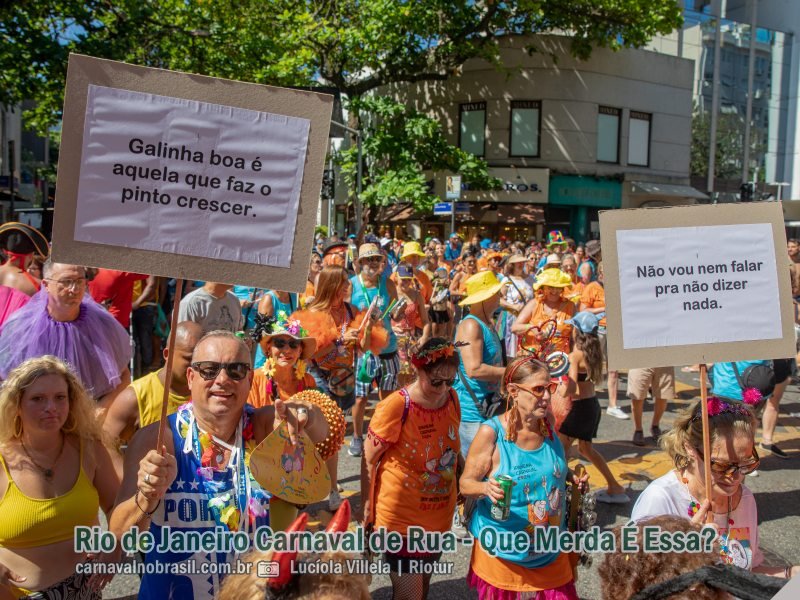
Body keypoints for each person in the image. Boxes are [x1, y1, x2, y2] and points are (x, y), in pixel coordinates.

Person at [109, 330, 330, 599]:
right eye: (209, 370)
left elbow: (321, 430)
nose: (222, 380)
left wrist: (305, 414)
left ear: (249, 379)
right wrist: (147, 495)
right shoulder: (157, 440)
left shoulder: (262, 427)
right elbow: (118, 534)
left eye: (236, 370)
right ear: (191, 378)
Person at [632, 397, 798, 579]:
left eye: (745, 464)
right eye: (721, 465)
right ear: (690, 449)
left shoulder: (745, 498)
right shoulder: (660, 499)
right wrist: (684, 554)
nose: (736, 476)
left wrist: (790, 574)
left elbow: (747, 575)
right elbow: (637, 583)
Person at [0, 356, 120, 598]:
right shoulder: (2, 459)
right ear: (17, 406)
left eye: (60, 397)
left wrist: (113, 546)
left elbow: (117, 507)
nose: (51, 408)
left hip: (84, 591)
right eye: (37, 399)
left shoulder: (90, 449)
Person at [460, 356, 578, 599]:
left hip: (549, 546)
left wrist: (571, 475)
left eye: (549, 388)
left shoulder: (548, 423)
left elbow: (551, 466)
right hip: (503, 551)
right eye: (538, 389)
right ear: (513, 391)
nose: (546, 396)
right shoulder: (491, 433)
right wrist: (486, 489)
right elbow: (465, 484)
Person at [363, 339, 462, 600]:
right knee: (410, 595)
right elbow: (368, 460)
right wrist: (367, 511)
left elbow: (453, 448)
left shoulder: (452, 399)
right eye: (436, 381)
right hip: (400, 521)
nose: (443, 389)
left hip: (438, 518)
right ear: (418, 370)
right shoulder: (397, 405)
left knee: (423, 588)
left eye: (450, 381)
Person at [292, 266, 379, 510]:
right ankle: (326, 489)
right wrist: (341, 340)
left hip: (345, 379)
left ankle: (326, 482)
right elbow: (311, 351)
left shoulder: (350, 310)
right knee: (324, 434)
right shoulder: (314, 312)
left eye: (346, 282)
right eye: (342, 283)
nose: (347, 286)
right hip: (319, 378)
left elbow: (363, 346)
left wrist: (367, 327)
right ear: (330, 285)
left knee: (335, 435)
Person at [0, 260, 131, 409]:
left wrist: (101, 409)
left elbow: (123, 376)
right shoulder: (23, 326)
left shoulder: (102, 324)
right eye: (66, 282)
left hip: (89, 419)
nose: (74, 289)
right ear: (45, 285)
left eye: (79, 281)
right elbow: (9, 384)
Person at [103, 321, 203, 475]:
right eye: (189, 359)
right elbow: (105, 447)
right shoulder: (135, 396)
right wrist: (128, 484)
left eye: (203, 361)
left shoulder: (211, 393)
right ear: (167, 354)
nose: (196, 367)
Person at [558, 312, 629, 503]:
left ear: (577, 332)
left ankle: (563, 493)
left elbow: (571, 387)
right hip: (592, 405)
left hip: (580, 408)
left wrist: (559, 388)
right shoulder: (594, 353)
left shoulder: (575, 356)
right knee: (585, 449)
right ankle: (614, 486)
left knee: (560, 449)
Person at [350, 243, 399, 458]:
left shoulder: (388, 284)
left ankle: (382, 434)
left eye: (376, 259)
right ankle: (357, 437)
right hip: (364, 351)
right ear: (360, 263)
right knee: (360, 398)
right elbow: (344, 315)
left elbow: (395, 313)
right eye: (368, 259)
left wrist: (400, 312)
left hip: (388, 349)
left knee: (387, 397)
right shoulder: (351, 285)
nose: (372, 263)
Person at [452, 271, 506, 458]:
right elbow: (473, 370)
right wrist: (509, 372)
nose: (500, 296)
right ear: (486, 297)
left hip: (488, 406)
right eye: (496, 293)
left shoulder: (487, 323)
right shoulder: (471, 326)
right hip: (473, 412)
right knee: (475, 469)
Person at [579, 263, 626, 421]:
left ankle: (613, 405)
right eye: (602, 272)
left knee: (614, 369)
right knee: (592, 367)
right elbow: (583, 310)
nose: (604, 275)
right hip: (597, 330)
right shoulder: (592, 287)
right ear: (598, 273)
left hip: (614, 330)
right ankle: (589, 400)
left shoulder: (617, 286)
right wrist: (604, 309)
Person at [513, 269, 575, 356]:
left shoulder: (570, 306)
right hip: (533, 360)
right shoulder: (534, 304)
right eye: (550, 287)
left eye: (558, 288)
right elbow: (514, 328)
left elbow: (574, 338)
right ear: (543, 288)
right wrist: (531, 327)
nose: (554, 291)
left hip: (559, 361)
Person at [391, 264, 432, 387]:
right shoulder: (391, 293)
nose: (406, 282)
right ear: (396, 277)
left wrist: (424, 337)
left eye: (409, 279)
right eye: (403, 279)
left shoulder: (417, 295)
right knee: (402, 371)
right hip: (394, 339)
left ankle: (407, 399)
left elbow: (425, 320)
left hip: (411, 339)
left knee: (412, 372)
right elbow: (382, 318)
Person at [627, 364, 675, 446]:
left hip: (664, 359)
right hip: (640, 359)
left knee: (663, 395)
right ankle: (638, 429)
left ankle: (655, 426)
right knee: (637, 396)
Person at [253, 288, 299, 368]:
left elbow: (300, 330)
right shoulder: (268, 298)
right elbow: (262, 336)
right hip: (268, 361)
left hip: (287, 358)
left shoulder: (295, 298)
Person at [500, 255, 534, 358]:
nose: (520, 265)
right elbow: (499, 299)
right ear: (512, 265)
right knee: (511, 350)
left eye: (522, 262)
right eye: (518, 263)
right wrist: (513, 306)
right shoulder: (507, 280)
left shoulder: (531, 279)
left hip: (527, 318)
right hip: (511, 317)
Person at [178, 281, 243, 334]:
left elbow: (239, 331)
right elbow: (182, 343)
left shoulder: (234, 300)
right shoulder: (191, 303)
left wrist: (245, 342)